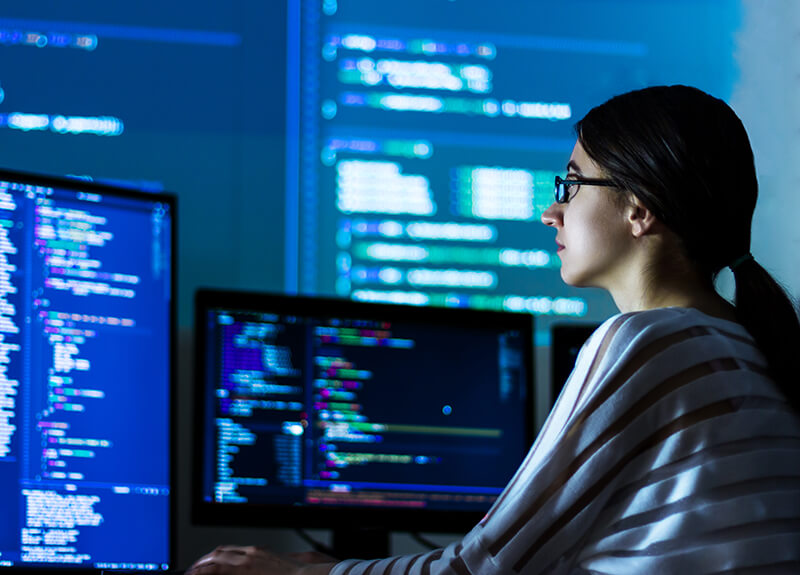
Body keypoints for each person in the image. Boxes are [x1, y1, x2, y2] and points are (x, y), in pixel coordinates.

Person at [189, 85, 800, 574]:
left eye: (571, 182)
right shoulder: (745, 346)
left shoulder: (648, 341)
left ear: (639, 208)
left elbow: (482, 568)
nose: (549, 210)